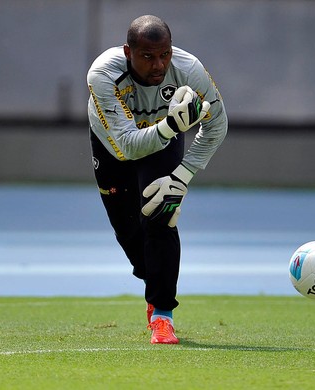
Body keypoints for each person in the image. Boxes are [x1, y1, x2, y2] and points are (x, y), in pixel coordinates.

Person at [87, 15, 227, 344]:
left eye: (164, 54)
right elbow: (127, 146)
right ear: (128, 52)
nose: (158, 65)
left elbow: (217, 125)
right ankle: (153, 276)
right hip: (114, 148)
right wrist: (169, 126)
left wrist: (182, 175)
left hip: (164, 142)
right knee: (128, 231)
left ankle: (163, 314)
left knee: (160, 217)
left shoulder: (189, 70)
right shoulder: (103, 74)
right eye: (148, 56)